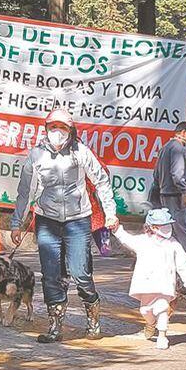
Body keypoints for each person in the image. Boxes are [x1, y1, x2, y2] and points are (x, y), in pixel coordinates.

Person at [12, 109, 117, 343]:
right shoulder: (36, 154)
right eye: (52, 127)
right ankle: (55, 326)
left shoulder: (81, 152)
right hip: (47, 220)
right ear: (46, 129)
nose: (57, 132)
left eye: (62, 128)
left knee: (80, 272)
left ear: (71, 131)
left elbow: (101, 180)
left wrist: (111, 213)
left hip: (78, 219)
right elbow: (24, 190)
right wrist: (17, 223)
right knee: (51, 276)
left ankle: (93, 320)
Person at [113, 208, 186, 350]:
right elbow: (127, 239)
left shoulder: (173, 244)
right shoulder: (143, 241)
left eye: (168, 225)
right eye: (163, 225)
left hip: (165, 284)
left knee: (162, 308)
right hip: (146, 284)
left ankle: (162, 335)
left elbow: (182, 262)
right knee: (145, 310)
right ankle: (151, 323)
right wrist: (117, 230)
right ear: (152, 227)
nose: (167, 228)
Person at [150, 121, 186, 253]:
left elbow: (156, 173)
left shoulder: (165, 147)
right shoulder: (178, 148)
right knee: (184, 230)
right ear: (183, 133)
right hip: (175, 195)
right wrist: (185, 191)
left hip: (164, 194)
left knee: (170, 229)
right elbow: (177, 174)